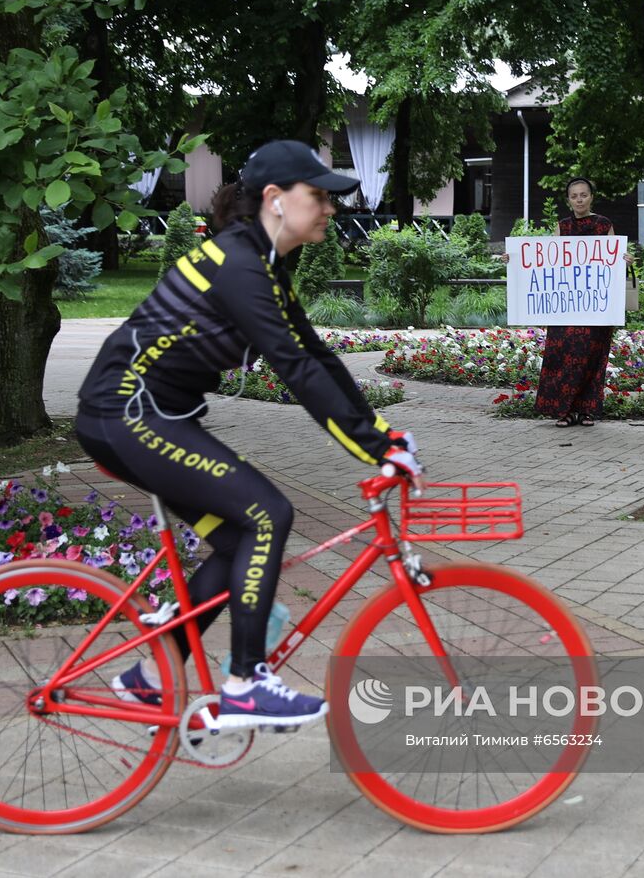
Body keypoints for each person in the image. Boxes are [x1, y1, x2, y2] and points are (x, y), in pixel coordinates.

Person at [74, 139, 425, 730]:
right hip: (126, 415)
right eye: (317, 196)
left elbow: (315, 352)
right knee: (268, 514)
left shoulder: (259, 261)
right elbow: (296, 366)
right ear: (275, 200)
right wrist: (374, 446)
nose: (330, 209)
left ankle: (152, 678)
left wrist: (384, 435)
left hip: (147, 414)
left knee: (242, 538)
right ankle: (244, 685)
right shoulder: (240, 266)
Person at [534, 177, 627, 428]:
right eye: (574, 196)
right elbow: (548, 261)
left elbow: (612, 259)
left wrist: (624, 259)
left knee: (592, 356)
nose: (579, 200)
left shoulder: (603, 224)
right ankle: (564, 411)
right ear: (568, 200)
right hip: (567, 307)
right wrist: (515, 258)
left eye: (583, 195)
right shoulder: (561, 227)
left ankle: (586, 411)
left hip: (594, 306)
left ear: (591, 197)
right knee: (561, 356)